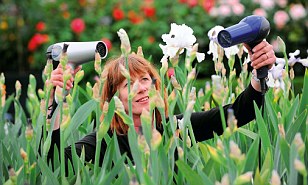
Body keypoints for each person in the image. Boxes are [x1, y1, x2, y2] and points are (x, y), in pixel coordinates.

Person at [46, 41, 276, 170]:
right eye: (129, 84)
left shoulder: (175, 127)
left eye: (145, 80)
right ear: (113, 96)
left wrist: (259, 71)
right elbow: (54, 163)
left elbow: (240, 113)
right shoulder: (103, 141)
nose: (142, 88)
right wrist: (54, 102)